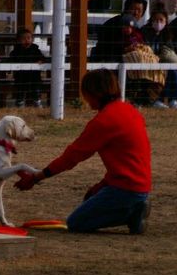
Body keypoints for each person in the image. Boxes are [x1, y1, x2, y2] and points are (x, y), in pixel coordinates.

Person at [14, 68, 151, 235]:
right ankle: (135, 206)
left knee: (75, 223)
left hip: (125, 189)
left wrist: (36, 177)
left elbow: (71, 157)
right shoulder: (130, 111)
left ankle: (132, 213)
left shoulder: (103, 121)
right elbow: (127, 160)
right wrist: (102, 186)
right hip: (140, 186)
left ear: (94, 93)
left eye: (85, 93)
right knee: (91, 200)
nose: (84, 98)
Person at [142, 10, 177, 109]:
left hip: (164, 62)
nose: (158, 23)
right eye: (155, 20)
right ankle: (157, 100)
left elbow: (174, 49)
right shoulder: (145, 32)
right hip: (150, 62)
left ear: (165, 21)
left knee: (172, 71)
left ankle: (173, 100)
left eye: (161, 20)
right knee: (158, 73)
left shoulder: (168, 34)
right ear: (151, 20)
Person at [9, 28, 47, 108]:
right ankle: (20, 103)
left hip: (34, 76)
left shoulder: (35, 50)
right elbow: (11, 59)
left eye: (29, 38)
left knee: (36, 90)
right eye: (23, 38)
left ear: (32, 39)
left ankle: (37, 101)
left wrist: (40, 60)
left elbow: (43, 58)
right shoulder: (16, 51)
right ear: (19, 40)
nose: (26, 40)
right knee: (20, 90)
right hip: (20, 76)